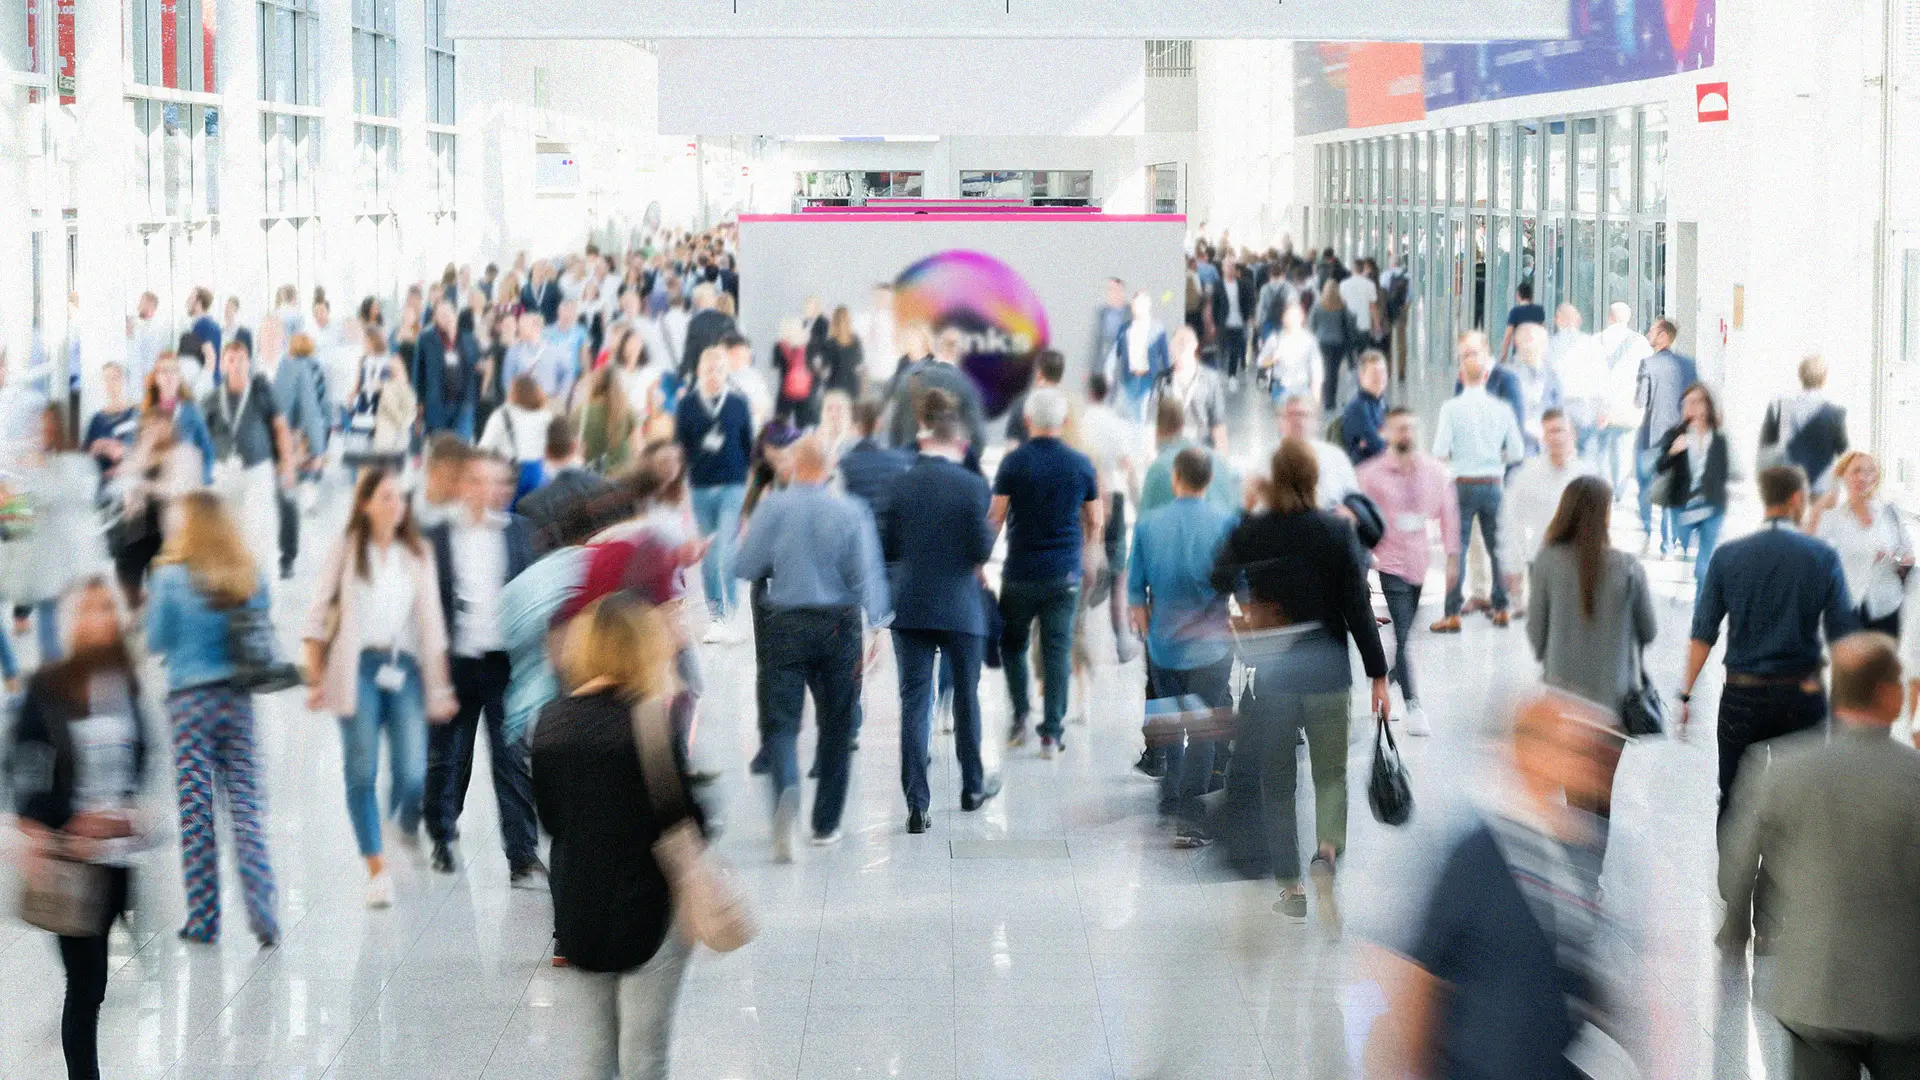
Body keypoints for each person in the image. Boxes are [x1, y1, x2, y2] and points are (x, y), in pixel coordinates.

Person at [1364, 693, 1618, 1080]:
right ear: (1526, 754)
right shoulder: (1476, 857)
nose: (1583, 761)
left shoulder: (1580, 850)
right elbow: (1419, 982)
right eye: (1565, 746)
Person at [1718, 631, 1920, 1078]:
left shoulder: (1782, 768)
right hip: (1904, 995)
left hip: (1814, 987)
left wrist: (1736, 930)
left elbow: (1740, 859)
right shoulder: (1915, 779)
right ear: (1888, 696)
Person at [1211, 438, 1389, 926]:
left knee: (1278, 781)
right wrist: (1379, 674)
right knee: (1330, 774)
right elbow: (1357, 607)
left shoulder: (1254, 531)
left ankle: (1289, 885)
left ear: (1272, 479)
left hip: (1273, 676)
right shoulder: (1335, 531)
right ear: (1313, 479)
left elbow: (1217, 575)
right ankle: (1326, 854)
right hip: (1329, 671)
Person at [532, 595, 701, 1080]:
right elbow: (682, 823)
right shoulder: (653, 723)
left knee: (593, 1057)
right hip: (648, 909)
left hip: (580, 908)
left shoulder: (549, 723)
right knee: (645, 1057)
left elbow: (551, 820)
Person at [6, 579, 150, 1080]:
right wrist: (56, 824)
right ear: (73, 622)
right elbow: (25, 764)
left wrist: (128, 812)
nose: (99, 620)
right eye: (88, 611)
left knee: (95, 985)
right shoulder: (48, 685)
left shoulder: (124, 683)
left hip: (117, 855)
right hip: (70, 856)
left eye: (106, 610)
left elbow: (141, 753)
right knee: (85, 983)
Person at [302, 468, 456, 908]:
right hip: (358, 669)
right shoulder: (348, 550)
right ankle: (377, 869)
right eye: (386, 497)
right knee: (362, 771)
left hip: (404, 668)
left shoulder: (417, 552)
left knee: (412, 773)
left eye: (400, 498)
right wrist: (315, 676)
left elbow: (432, 626)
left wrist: (440, 686)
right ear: (366, 504)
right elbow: (316, 614)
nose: (396, 505)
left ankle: (399, 828)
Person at [733, 435, 889, 857]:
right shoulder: (851, 511)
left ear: (792, 466)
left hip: (783, 621)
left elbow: (745, 565)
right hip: (839, 626)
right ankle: (825, 825)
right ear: (830, 465)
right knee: (838, 725)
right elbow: (866, 574)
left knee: (781, 723)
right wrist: (878, 626)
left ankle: (786, 788)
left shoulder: (773, 507)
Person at [1680, 466, 1856, 818]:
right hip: (1802, 697)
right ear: (1795, 499)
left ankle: (1735, 874)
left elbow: (1703, 633)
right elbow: (1843, 638)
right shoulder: (1822, 557)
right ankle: (1780, 874)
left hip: (1743, 696)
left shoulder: (1727, 556)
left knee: (1734, 801)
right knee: (1797, 805)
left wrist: (1684, 694)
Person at [144, 492, 278, 945]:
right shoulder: (247, 573)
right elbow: (262, 624)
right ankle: (265, 916)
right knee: (246, 809)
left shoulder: (169, 577)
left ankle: (204, 920)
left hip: (188, 705)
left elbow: (157, 639)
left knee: (197, 814)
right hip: (237, 701)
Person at [880, 389, 997, 834]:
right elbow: (983, 549)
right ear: (959, 444)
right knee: (966, 697)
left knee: (915, 702)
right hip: (961, 607)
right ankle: (971, 787)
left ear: (927, 441)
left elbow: (888, 546)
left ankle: (917, 804)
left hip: (910, 606)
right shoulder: (971, 486)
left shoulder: (900, 484)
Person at [422, 452, 541, 882]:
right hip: (455, 661)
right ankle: (441, 830)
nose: (486, 490)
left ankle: (522, 854)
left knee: (511, 758)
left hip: (504, 663)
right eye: (477, 480)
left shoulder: (521, 534)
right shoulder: (436, 537)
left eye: (496, 482)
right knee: (447, 755)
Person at [1527, 476, 1656, 832]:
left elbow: (1537, 636)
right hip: (1611, 704)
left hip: (1561, 700)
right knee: (1600, 795)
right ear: (1604, 516)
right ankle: (1591, 874)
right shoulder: (1629, 567)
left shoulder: (1547, 561)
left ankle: (1573, 873)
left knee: (1572, 791)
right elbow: (1649, 631)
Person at [1128, 447, 1236, 838]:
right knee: (1203, 725)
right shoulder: (1227, 524)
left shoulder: (1148, 525)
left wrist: (1147, 629)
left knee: (1169, 719)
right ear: (1207, 481)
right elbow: (1241, 584)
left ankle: (1170, 797)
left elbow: (1135, 594)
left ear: (1176, 478)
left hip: (1164, 644)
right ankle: (1190, 815)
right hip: (1212, 644)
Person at [991, 388, 1102, 758]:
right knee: (1057, 651)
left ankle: (1022, 713)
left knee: (1012, 644)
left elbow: (995, 517)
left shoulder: (1012, 463)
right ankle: (1052, 734)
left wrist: (978, 561)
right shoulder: (1081, 464)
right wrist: (1086, 554)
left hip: (1020, 572)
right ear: (1065, 422)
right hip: (1064, 575)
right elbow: (1095, 519)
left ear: (1027, 421)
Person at [1357, 407, 1459, 735]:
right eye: (1400, 428)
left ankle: (1388, 678)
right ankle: (1414, 705)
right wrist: (1360, 561)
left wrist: (1453, 556)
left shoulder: (1432, 470)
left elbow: (1448, 511)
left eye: (1411, 428)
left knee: (1405, 635)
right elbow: (1356, 518)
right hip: (1389, 564)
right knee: (1402, 635)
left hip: (1418, 564)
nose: (1407, 434)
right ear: (1386, 432)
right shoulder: (1370, 475)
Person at [1430, 333, 1524, 633]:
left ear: (1460, 374)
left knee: (1456, 550)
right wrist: (1495, 457)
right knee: (1497, 548)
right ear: (1486, 374)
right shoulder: (1502, 410)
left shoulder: (1451, 408)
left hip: (1463, 484)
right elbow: (1518, 451)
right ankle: (1501, 609)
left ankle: (1452, 613)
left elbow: (1440, 452)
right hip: (1493, 483)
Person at [19, 406, 112, 662]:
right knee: (53, 634)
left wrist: (37, 468)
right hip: (58, 564)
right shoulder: (69, 463)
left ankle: (62, 688)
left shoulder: (74, 464)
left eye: (45, 425)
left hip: (70, 564)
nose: (40, 432)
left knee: (62, 636)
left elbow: (51, 497)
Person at [202, 339, 296, 592]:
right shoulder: (211, 399)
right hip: (225, 473)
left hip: (257, 471)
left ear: (249, 362)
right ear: (223, 364)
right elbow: (199, 439)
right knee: (227, 532)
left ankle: (263, 593)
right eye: (231, 360)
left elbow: (280, 426)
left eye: (241, 359)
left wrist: (287, 463)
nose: (236, 365)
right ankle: (231, 590)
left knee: (260, 532)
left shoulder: (261, 391)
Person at [675, 346, 755, 636]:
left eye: (720, 368)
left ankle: (732, 610)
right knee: (708, 552)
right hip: (701, 486)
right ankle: (716, 614)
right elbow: (680, 448)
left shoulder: (737, 404)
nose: (715, 374)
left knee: (726, 548)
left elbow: (748, 446)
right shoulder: (687, 406)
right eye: (709, 368)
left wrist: (749, 490)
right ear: (699, 371)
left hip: (732, 484)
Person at [1499, 408, 1592, 615]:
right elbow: (1511, 523)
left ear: (1572, 435)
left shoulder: (1586, 476)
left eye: (1561, 430)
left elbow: (1598, 526)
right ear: (1543, 437)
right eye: (1551, 431)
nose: (1557, 437)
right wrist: (1514, 570)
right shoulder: (1527, 476)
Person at [1812, 450, 1911, 637]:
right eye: (1856, 471)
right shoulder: (1832, 517)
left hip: (1886, 606)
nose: (1863, 477)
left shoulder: (1890, 512)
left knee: (1882, 664)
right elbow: (1807, 549)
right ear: (1842, 475)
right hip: (1846, 609)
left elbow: (1908, 554)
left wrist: (1896, 558)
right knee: (1849, 666)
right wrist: (1825, 499)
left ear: (1877, 477)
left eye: (1870, 471)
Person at [1652, 383, 1732, 596]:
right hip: (1682, 506)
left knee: (1702, 567)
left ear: (1707, 406)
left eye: (1696, 402)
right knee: (1686, 547)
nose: (1690, 407)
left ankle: (1701, 621)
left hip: (1711, 508)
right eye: (1686, 403)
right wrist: (1673, 451)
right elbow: (1659, 466)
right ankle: (1685, 562)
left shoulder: (1718, 438)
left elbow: (1725, 472)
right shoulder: (1675, 435)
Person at [268, 332, 329, 580]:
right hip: (276, 440)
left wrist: (317, 448)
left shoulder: (294, 368)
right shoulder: (315, 366)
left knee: (285, 497)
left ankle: (287, 555)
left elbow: (312, 406)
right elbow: (321, 406)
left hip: (289, 439)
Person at [1635, 318, 1697, 556]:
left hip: (1654, 437)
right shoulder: (1689, 366)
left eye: (1652, 331)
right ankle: (1671, 544)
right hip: (1681, 437)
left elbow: (1641, 401)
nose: (1648, 334)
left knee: (1647, 489)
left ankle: (1653, 537)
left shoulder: (1648, 365)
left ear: (1663, 336)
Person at [887, 326, 986, 465]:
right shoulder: (965, 386)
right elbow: (978, 440)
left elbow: (893, 431)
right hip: (951, 471)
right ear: (960, 352)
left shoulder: (907, 380)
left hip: (909, 467)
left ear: (937, 348)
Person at [1759, 351, 1850, 497]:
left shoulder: (1780, 407)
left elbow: (1766, 450)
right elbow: (1844, 453)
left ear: (1800, 375)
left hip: (1788, 486)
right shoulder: (1835, 414)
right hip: (1821, 489)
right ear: (1824, 377)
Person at [1139, 397, 1240, 517]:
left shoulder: (1157, 470)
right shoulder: (1218, 461)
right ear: (1182, 425)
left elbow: (1144, 525)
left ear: (1155, 429)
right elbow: (1237, 508)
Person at [1596, 302, 1651, 493]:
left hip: (1602, 407)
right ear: (1628, 319)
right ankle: (1619, 492)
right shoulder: (1641, 343)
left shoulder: (1597, 340)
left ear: (1609, 317)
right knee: (1624, 452)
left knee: (1601, 452)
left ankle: (1602, 494)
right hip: (1629, 406)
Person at [1275, 393, 1359, 510]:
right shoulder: (1267, 460)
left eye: (1302, 415)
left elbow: (1355, 498)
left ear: (1316, 421)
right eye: (1289, 415)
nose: (1296, 421)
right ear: (1280, 422)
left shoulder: (1336, 457)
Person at [143, 351, 216, 483]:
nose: (169, 376)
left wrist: (202, 479)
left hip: (186, 487)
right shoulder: (145, 414)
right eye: (164, 371)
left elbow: (208, 451)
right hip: (155, 487)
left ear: (179, 377)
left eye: (173, 371)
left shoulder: (192, 411)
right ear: (156, 378)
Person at [836, 397, 912, 521]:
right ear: (878, 423)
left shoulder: (845, 463)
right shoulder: (899, 460)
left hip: (859, 525)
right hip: (887, 530)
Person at [414, 298, 479, 438]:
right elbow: (418, 374)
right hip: (436, 405)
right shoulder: (426, 339)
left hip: (463, 405)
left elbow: (476, 368)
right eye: (441, 315)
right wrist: (419, 404)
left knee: (461, 449)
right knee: (439, 451)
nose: (446, 318)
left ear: (455, 314)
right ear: (436, 318)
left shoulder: (469, 339)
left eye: (448, 314)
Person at [1159, 326, 1228, 452]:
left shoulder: (1210, 379)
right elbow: (1152, 419)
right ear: (1170, 347)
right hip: (1171, 449)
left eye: (1185, 343)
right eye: (1177, 343)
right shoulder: (1162, 380)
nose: (1181, 347)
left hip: (1201, 449)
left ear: (1194, 346)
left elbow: (1218, 420)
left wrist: (1221, 455)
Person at [1108, 291, 1169, 424]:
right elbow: (1115, 353)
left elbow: (1165, 357)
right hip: (1129, 378)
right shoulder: (1125, 329)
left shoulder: (1157, 329)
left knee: (1143, 417)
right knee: (1127, 417)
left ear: (1148, 306)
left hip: (1148, 379)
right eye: (1135, 304)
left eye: (1140, 304)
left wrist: (1166, 381)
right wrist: (1109, 373)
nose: (1137, 308)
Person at [84, 361, 141, 490]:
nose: (111, 384)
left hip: (132, 488)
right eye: (106, 379)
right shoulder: (96, 420)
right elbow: (86, 459)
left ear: (124, 381)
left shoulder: (137, 415)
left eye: (115, 378)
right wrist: (97, 447)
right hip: (104, 488)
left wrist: (122, 450)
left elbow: (148, 451)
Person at [480, 374, 554, 469]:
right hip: (539, 473)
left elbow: (484, 448)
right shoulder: (546, 417)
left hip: (508, 471)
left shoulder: (502, 415)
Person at [1256, 300, 1322, 405]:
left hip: (1302, 388)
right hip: (1281, 389)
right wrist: (1273, 359)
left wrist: (1316, 394)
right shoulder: (1275, 339)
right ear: (1284, 318)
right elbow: (1260, 362)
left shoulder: (1309, 340)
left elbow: (1317, 370)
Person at [577, 363, 637, 474]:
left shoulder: (581, 412)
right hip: (619, 477)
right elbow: (637, 449)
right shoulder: (629, 412)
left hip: (588, 478)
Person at [1002, 348, 1065, 450]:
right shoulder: (1070, 407)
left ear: (1039, 373)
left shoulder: (1022, 404)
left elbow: (1011, 447)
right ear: (1061, 375)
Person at [1308, 279, 1355, 412]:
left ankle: (1325, 398)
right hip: (1338, 343)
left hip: (1322, 343)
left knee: (1325, 370)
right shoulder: (1342, 305)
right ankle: (1331, 399)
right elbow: (1350, 322)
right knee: (1333, 372)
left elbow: (1311, 324)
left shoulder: (1318, 305)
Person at [678, 282, 735, 382]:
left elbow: (689, 356)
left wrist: (679, 377)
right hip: (723, 376)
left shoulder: (695, 323)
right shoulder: (728, 320)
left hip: (702, 378)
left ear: (697, 301)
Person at [1339, 350, 1388, 464]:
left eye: (1382, 372)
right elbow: (1379, 447)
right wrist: (1385, 436)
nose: (1380, 377)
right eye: (1374, 373)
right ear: (1361, 377)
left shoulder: (1382, 403)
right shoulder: (1357, 408)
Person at [819, 306, 864, 397]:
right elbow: (859, 361)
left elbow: (824, 366)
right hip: (853, 386)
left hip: (834, 386)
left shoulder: (829, 343)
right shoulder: (856, 340)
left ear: (834, 322)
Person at [1498, 280, 1547, 362]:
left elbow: (1508, 335)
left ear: (1518, 295)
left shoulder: (1515, 311)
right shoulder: (1539, 310)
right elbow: (1544, 332)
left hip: (1519, 354)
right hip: (1535, 354)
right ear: (1531, 296)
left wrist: (1504, 355)